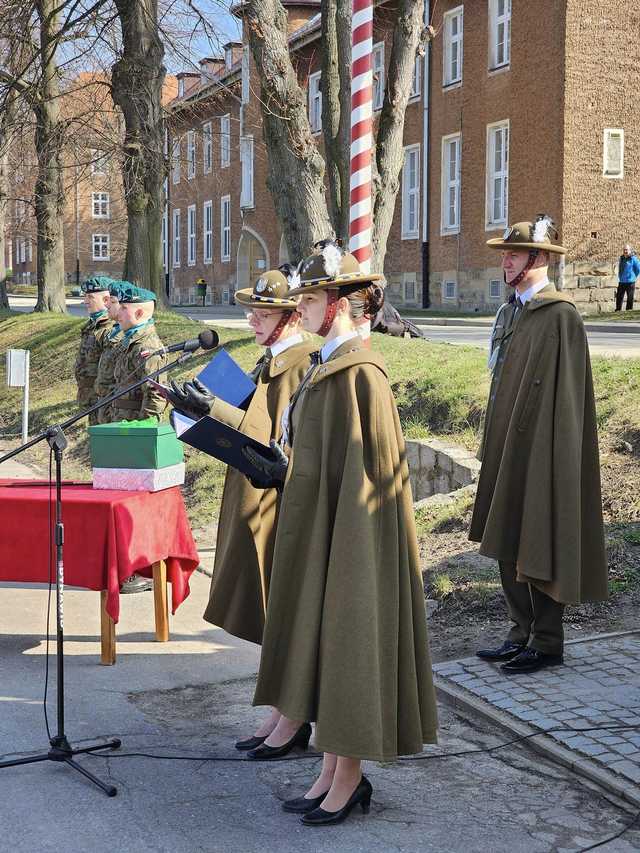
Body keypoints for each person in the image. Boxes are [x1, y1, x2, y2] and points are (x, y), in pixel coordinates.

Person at [243, 243, 438, 826]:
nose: (300, 306)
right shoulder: (327, 367)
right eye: (301, 297)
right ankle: (330, 768)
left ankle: (349, 776)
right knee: (323, 642)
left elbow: (368, 480)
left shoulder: (363, 377)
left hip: (352, 540)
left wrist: (349, 554)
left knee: (348, 643)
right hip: (319, 530)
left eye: (312, 297)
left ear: (344, 304)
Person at [165, 269, 317, 754]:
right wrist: (194, 407)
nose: (251, 318)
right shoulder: (271, 358)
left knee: (283, 611)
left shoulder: (299, 362)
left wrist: (214, 410)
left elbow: (275, 437)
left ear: (290, 315)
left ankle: (295, 716)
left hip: (276, 498)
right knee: (272, 614)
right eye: (251, 309)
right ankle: (280, 708)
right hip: (253, 488)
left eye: (263, 311)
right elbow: (252, 415)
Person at [470, 215, 608, 675]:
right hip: (507, 438)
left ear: (540, 258)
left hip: (542, 447)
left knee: (538, 530)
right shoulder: (512, 311)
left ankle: (547, 639)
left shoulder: (560, 316)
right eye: (505, 255)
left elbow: (566, 398)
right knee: (506, 529)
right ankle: (519, 630)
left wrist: (556, 456)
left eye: (513, 254)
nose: (505, 262)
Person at [110, 284, 167, 423]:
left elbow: (155, 395)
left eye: (124, 308)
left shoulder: (148, 347)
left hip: (134, 426)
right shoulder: (131, 340)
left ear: (139, 313)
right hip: (121, 420)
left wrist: (143, 431)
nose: (118, 314)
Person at [75, 276, 115, 425]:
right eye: (85, 297)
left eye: (90, 297)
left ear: (106, 300)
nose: (85, 301)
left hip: (104, 400)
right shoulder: (92, 325)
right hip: (92, 398)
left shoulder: (111, 327)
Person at [94, 280, 127, 424]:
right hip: (105, 405)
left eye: (112, 302)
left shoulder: (127, 338)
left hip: (119, 413)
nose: (106, 305)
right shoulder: (113, 332)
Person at [615, 244, 640, 311]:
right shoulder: (621, 258)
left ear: (630, 250)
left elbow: (638, 269)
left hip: (630, 282)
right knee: (619, 296)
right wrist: (620, 276)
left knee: (630, 297)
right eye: (624, 250)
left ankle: (629, 310)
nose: (625, 251)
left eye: (627, 250)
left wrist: (633, 276)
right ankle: (618, 310)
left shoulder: (633, 259)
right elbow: (620, 268)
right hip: (622, 281)